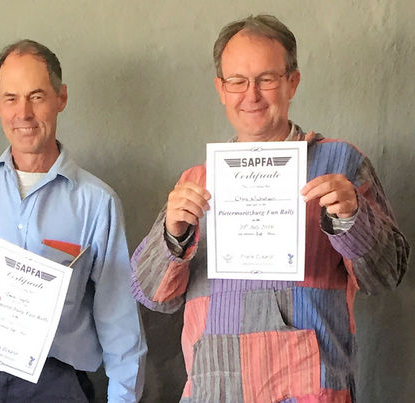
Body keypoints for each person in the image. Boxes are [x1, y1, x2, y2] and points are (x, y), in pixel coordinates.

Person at [131, 14, 409, 402]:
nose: (252, 95)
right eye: (237, 81)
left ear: (292, 82)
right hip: (215, 390)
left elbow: (386, 276)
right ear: (221, 89)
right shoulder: (196, 181)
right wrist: (172, 236)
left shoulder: (340, 164)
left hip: (310, 392)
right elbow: (152, 295)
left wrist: (353, 218)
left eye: (267, 79)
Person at [0, 39, 146, 402]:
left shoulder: (97, 202)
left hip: (56, 386)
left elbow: (119, 317)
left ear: (61, 98)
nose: (23, 113)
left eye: (36, 96)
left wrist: (124, 398)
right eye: (11, 98)